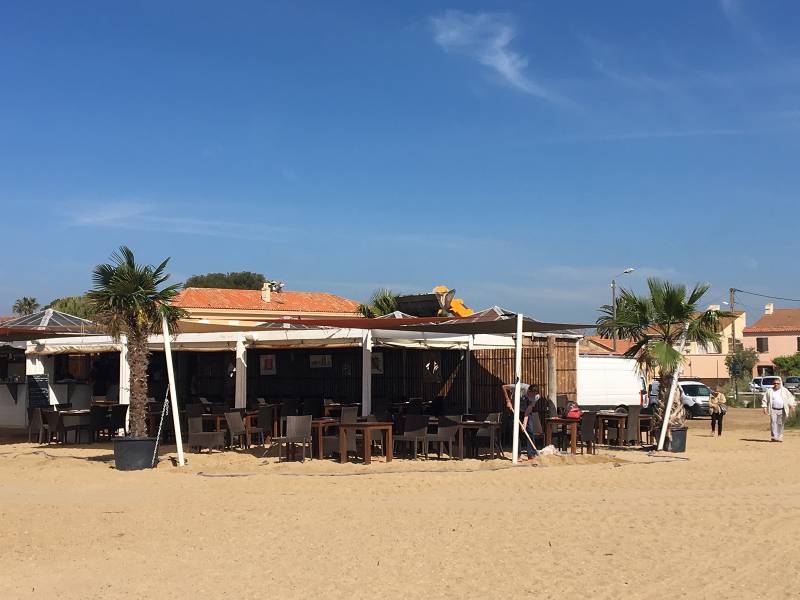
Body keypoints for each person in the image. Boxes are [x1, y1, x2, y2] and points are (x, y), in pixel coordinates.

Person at [502, 382, 542, 459]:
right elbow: (504, 387)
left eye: (534, 396)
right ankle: (517, 455)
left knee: (529, 431)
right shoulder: (520, 387)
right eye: (531, 395)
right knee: (516, 432)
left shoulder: (536, 397)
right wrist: (508, 400)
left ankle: (531, 455)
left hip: (526, 411)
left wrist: (524, 423)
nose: (533, 397)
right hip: (515, 410)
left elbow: (529, 409)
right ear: (529, 391)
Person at [761, 377, 797, 442]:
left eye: (778, 383)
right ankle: (774, 437)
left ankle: (780, 437)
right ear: (773, 384)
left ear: (780, 384)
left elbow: (790, 398)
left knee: (780, 423)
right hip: (773, 409)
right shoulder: (770, 391)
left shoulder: (784, 390)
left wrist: (792, 405)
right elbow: (765, 399)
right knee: (773, 423)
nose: (776, 384)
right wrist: (764, 407)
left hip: (782, 409)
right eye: (775, 383)